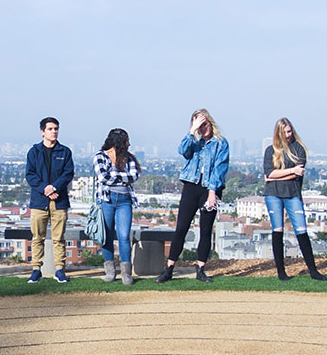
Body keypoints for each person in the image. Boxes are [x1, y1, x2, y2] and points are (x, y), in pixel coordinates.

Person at [157, 109, 230, 283]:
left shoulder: (220, 143)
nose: (202, 128)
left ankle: (201, 268)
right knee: (181, 228)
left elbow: (220, 169)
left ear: (210, 123)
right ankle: (169, 268)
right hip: (191, 186)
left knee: (205, 230)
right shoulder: (194, 142)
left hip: (209, 189)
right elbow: (182, 151)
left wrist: (212, 193)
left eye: (204, 124)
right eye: (198, 125)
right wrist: (192, 132)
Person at [264, 118, 327, 281]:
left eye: (290, 131)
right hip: (273, 195)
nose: (288, 135)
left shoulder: (299, 149)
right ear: (278, 133)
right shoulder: (270, 150)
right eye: (284, 132)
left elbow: (297, 173)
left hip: (293, 194)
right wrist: (288, 172)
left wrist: (276, 175)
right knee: (277, 231)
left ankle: (313, 270)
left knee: (301, 230)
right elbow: (269, 173)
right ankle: (281, 272)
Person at [25, 117, 74, 284]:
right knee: (37, 237)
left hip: (59, 201)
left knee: (58, 237)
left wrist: (54, 188)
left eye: (56, 129)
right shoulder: (34, 152)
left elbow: (68, 174)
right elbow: (30, 175)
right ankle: (36, 269)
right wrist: (45, 189)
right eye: (51, 129)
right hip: (39, 202)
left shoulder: (65, 152)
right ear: (42, 132)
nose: (54, 132)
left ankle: (59, 269)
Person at [94, 128, 140, 286]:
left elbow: (134, 176)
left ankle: (126, 273)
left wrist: (114, 176)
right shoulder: (100, 156)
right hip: (107, 199)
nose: (129, 144)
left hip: (125, 200)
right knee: (106, 236)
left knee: (124, 236)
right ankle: (110, 271)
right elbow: (103, 178)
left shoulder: (129, 158)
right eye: (127, 141)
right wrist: (122, 178)